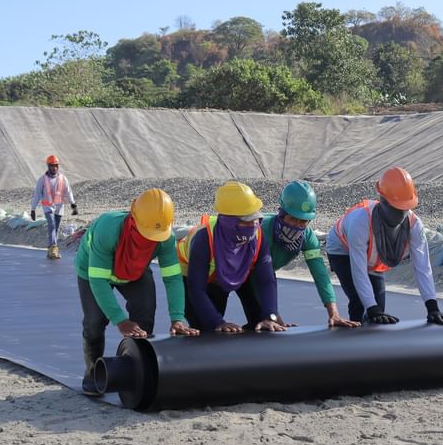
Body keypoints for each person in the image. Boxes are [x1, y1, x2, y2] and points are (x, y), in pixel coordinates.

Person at [76, 188, 200, 395]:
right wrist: (120, 320)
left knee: (144, 314)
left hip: (135, 271)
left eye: (156, 236)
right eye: (147, 234)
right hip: (93, 271)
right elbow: (98, 282)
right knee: (94, 322)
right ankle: (92, 372)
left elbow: (172, 279)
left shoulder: (165, 239)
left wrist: (177, 318)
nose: (151, 240)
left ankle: (138, 371)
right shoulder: (108, 230)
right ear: (133, 220)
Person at [325, 166, 443, 326]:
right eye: (396, 208)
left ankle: (371, 344)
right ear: (383, 201)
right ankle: (354, 341)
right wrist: (372, 308)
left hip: (373, 255)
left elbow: (422, 266)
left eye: (405, 208)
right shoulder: (361, 221)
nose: (401, 214)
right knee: (360, 301)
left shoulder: (414, 225)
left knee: (378, 308)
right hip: (342, 250)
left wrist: (432, 307)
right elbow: (359, 269)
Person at [178, 181, 290, 334]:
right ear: (229, 221)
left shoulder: (257, 236)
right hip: (200, 278)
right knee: (206, 327)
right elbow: (196, 289)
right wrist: (217, 322)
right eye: (247, 220)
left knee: (260, 320)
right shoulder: (204, 239)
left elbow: (266, 280)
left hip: (237, 270)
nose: (254, 225)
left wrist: (270, 315)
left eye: (255, 219)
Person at [263, 181, 360, 328]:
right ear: (282, 213)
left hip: (264, 273)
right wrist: (272, 314)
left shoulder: (307, 237)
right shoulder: (262, 230)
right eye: (293, 218)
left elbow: (320, 274)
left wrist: (333, 314)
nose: (297, 225)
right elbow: (260, 276)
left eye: (303, 221)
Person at [30, 154, 78, 259]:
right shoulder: (42, 180)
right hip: (48, 207)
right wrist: (33, 209)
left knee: (55, 228)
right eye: (52, 165)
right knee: (51, 225)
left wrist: (73, 204)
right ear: (48, 166)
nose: (54, 168)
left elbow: (68, 192)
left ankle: (50, 249)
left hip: (59, 207)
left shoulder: (63, 179)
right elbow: (37, 194)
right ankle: (53, 247)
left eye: (56, 165)